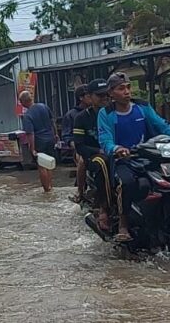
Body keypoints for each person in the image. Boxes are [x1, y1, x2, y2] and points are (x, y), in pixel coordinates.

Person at [98, 72, 170, 242]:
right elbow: (105, 138)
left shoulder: (143, 107)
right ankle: (123, 225)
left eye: (128, 87)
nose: (127, 92)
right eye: (121, 88)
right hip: (123, 160)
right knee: (126, 183)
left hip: (148, 155)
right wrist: (116, 148)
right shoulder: (106, 113)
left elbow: (162, 126)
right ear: (111, 93)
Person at [73, 79, 112, 230]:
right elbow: (79, 145)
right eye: (99, 95)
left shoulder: (116, 112)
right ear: (90, 96)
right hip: (95, 155)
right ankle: (103, 208)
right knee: (103, 164)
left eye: (106, 95)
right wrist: (98, 151)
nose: (104, 98)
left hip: (117, 151)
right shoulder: (81, 118)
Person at [19, 90, 57, 193]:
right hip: (50, 139)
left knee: (42, 166)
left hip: (40, 141)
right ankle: (50, 187)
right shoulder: (44, 106)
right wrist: (56, 134)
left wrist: (32, 148)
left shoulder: (27, 115)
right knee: (49, 164)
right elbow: (52, 121)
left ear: (23, 102)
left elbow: (30, 134)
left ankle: (46, 190)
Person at [62, 84, 91, 200]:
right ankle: (80, 191)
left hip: (97, 145)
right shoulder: (71, 115)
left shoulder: (98, 112)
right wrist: (77, 146)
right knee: (82, 162)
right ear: (81, 98)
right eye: (89, 95)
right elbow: (66, 136)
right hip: (80, 147)